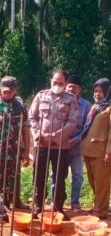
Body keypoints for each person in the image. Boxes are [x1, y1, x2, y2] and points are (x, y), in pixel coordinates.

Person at [0, 77, 31, 225]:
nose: (6, 94)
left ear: (15, 91)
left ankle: (3, 210)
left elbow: (26, 132)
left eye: (9, 92)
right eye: (4, 92)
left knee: (9, 184)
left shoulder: (20, 109)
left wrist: (26, 153)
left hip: (13, 154)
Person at [28, 70, 78, 220]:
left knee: (59, 177)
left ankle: (58, 208)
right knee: (39, 176)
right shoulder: (41, 95)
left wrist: (55, 137)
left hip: (60, 146)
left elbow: (72, 122)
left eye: (61, 83)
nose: (57, 85)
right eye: (55, 82)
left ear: (65, 84)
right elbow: (32, 117)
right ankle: (38, 205)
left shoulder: (71, 99)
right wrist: (39, 135)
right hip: (41, 145)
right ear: (51, 81)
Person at [50, 75, 91, 212]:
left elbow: (87, 127)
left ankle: (75, 203)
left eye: (75, 87)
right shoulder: (58, 101)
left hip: (76, 147)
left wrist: (74, 140)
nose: (72, 89)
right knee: (56, 174)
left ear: (80, 89)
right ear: (65, 86)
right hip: (60, 146)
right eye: (70, 86)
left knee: (77, 176)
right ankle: (54, 202)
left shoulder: (86, 106)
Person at [81, 78, 111, 220]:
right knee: (93, 181)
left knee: (101, 183)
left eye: (101, 91)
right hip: (88, 150)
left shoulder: (109, 108)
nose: (98, 94)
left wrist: (109, 152)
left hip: (101, 152)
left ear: (107, 92)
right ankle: (99, 205)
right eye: (96, 91)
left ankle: (101, 210)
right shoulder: (95, 106)